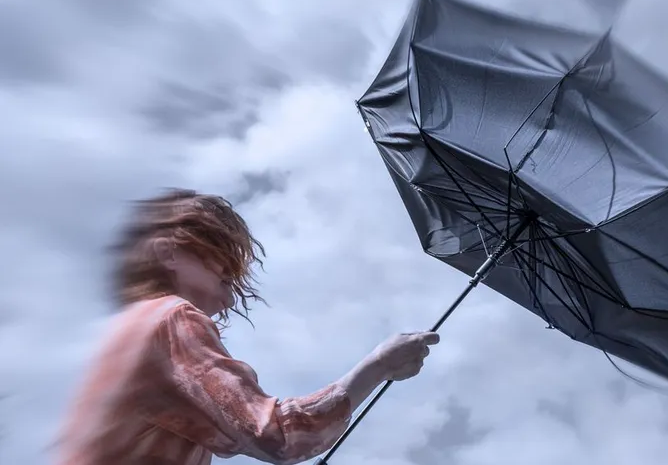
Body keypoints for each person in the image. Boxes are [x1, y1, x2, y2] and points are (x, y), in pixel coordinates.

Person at [55, 188, 439, 465]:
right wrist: (379, 366)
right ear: (169, 251)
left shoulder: (129, 330)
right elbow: (277, 436)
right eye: (223, 274)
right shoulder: (172, 319)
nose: (230, 300)